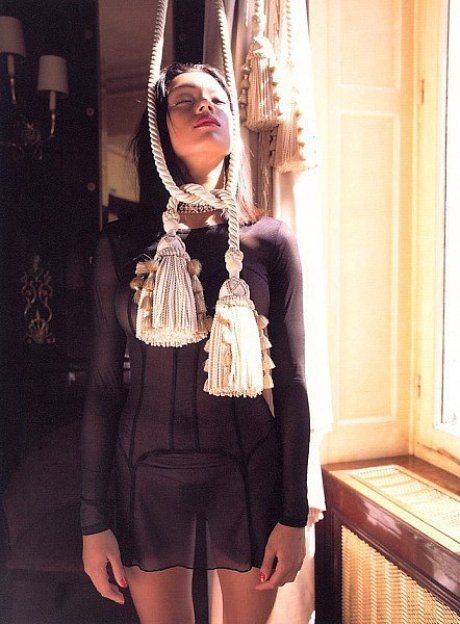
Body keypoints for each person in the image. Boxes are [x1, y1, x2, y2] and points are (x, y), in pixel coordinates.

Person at [80, 61, 310, 624]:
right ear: (159, 127)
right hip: (144, 477)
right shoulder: (121, 245)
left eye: (217, 99)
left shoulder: (270, 242)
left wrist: (293, 515)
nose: (206, 106)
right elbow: (105, 386)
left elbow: (293, 385)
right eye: (186, 100)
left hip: (251, 474)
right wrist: (92, 521)